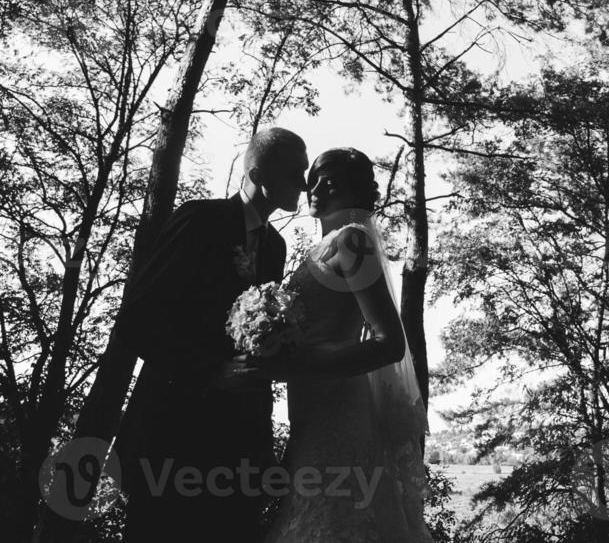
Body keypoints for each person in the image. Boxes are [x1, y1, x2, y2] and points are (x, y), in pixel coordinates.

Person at [115, 127, 307, 543]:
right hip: (174, 428)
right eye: (296, 172)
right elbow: (138, 320)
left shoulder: (275, 248)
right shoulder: (200, 219)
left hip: (238, 443)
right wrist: (212, 371)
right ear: (258, 173)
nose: (305, 184)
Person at [256, 147, 433, 543]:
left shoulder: (352, 242)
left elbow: (389, 344)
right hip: (312, 408)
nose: (315, 189)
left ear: (355, 192)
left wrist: (296, 366)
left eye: (331, 182)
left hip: (339, 407)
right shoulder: (319, 249)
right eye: (313, 179)